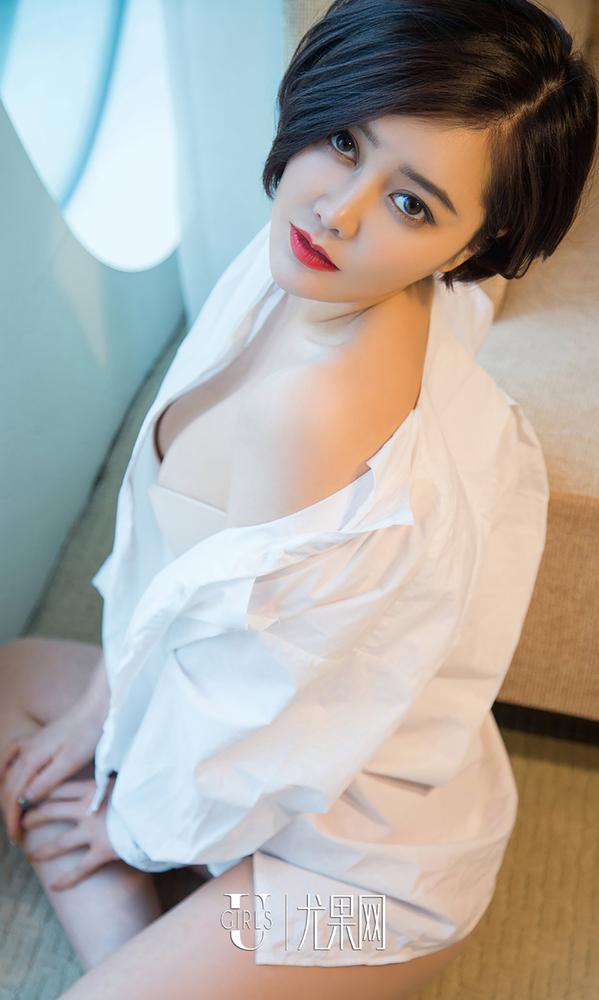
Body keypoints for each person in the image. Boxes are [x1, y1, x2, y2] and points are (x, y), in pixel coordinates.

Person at [1, 1, 598, 996]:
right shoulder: (311, 269)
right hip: (261, 775)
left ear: (469, 242)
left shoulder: (317, 418)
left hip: (361, 883)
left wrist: (127, 819)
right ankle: (155, 937)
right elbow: (176, 594)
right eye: (343, 140)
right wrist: (103, 715)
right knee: (17, 675)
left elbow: (252, 737)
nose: (338, 211)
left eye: (410, 204)